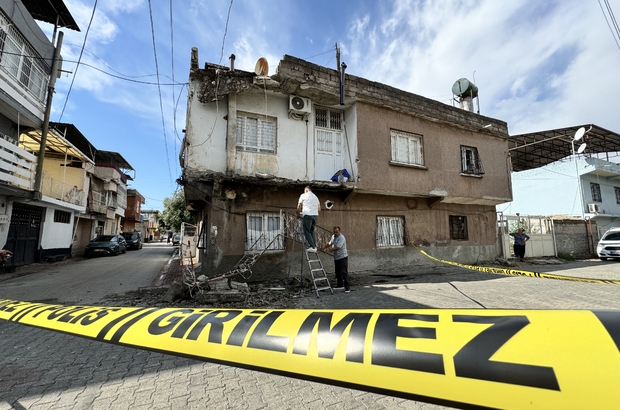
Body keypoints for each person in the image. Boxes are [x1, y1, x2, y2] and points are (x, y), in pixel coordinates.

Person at [320, 226, 349, 292]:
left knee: (344, 272)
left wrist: (329, 250)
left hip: (343, 257)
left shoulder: (342, 237)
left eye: (337, 232)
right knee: (338, 272)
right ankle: (340, 285)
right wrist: (324, 247)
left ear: (340, 231)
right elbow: (330, 243)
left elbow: (338, 247)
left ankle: (347, 287)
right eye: (334, 232)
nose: (335, 233)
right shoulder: (333, 236)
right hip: (337, 257)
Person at [297, 186, 321, 252]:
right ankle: (314, 247)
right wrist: (313, 210)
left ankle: (312, 247)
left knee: (306, 231)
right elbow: (319, 209)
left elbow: (299, 206)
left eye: (304, 191)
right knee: (311, 231)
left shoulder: (303, 195)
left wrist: (298, 213)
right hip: (315, 216)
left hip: (307, 215)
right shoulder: (315, 197)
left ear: (306, 190)